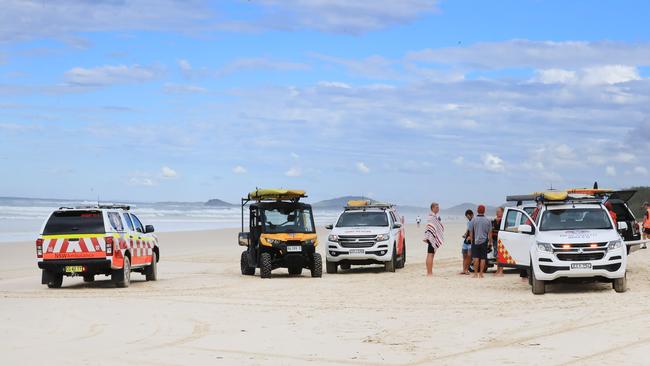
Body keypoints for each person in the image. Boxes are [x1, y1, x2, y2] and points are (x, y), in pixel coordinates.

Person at [468, 204, 492, 278]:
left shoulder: (473, 220)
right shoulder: (488, 220)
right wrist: (490, 242)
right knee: (483, 258)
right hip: (484, 241)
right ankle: (481, 273)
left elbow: (471, 231)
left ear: (477, 210)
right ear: (484, 211)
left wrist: (472, 241)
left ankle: (475, 274)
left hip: (475, 241)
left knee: (475, 258)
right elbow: (490, 233)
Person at [423, 202, 444, 276]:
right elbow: (431, 227)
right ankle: (429, 272)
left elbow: (437, 226)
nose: (438, 208)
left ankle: (430, 271)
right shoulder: (431, 216)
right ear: (432, 208)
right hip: (431, 237)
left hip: (433, 237)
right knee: (430, 254)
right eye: (436, 207)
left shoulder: (434, 216)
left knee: (432, 254)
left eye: (438, 207)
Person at [460, 209, 474, 275]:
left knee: (469, 256)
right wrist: (465, 234)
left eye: (468, 216)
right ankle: (464, 270)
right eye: (466, 216)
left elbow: (475, 231)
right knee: (464, 256)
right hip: (466, 241)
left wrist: (471, 237)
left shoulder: (474, 221)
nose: (467, 217)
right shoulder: (469, 222)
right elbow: (468, 230)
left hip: (471, 242)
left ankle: (467, 270)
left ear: (471, 215)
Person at [492, 207, 504, 276]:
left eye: (499, 211)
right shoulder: (494, 220)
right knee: (496, 255)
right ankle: (498, 270)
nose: (497, 212)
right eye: (497, 211)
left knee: (501, 255)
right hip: (494, 239)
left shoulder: (503, 220)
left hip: (501, 240)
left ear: (502, 212)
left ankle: (501, 271)